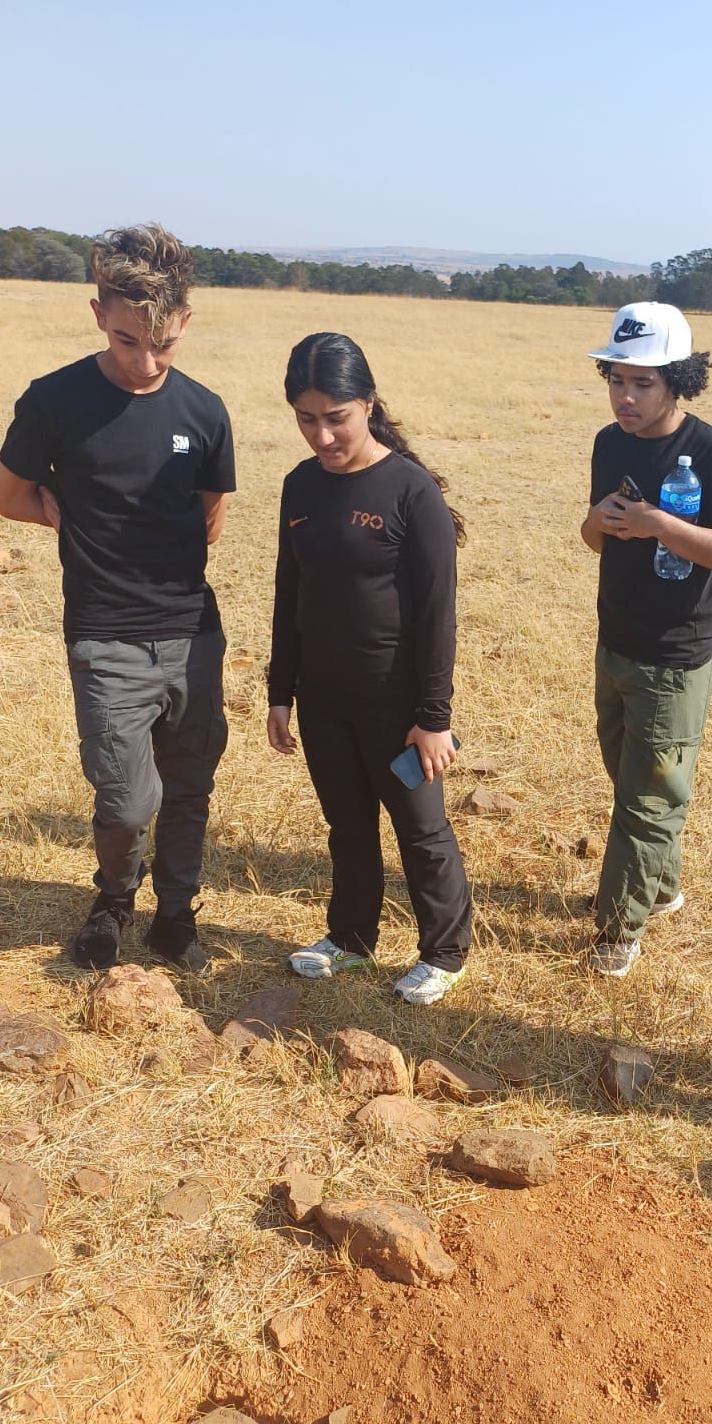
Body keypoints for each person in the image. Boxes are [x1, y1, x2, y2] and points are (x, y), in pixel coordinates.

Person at [0, 224, 235, 972]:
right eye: (130, 340)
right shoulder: (53, 400)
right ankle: (112, 898)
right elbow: (9, 497)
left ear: (185, 323)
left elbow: (210, 521)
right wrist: (63, 515)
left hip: (192, 637)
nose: (146, 360)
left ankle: (175, 915)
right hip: (102, 637)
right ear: (99, 314)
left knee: (190, 790)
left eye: (162, 343)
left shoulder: (205, 412)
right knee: (127, 802)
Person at [267, 333, 472, 1007]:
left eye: (337, 417)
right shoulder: (300, 485)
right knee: (347, 825)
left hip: (395, 701)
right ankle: (352, 939)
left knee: (421, 829)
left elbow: (438, 615)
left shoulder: (411, 493)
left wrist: (432, 719)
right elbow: (288, 593)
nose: (321, 434)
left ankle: (445, 951)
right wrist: (280, 692)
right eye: (306, 417)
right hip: (324, 698)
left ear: (369, 404)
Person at [581, 301, 712, 976]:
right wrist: (598, 521)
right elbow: (594, 538)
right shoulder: (609, 442)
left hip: (676, 654)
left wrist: (662, 525)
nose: (625, 398)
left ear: (678, 380)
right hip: (616, 639)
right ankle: (660, 888)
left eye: (643, 383)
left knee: (646, 797)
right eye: (616, 380)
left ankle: (618, 927)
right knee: (634, 779)